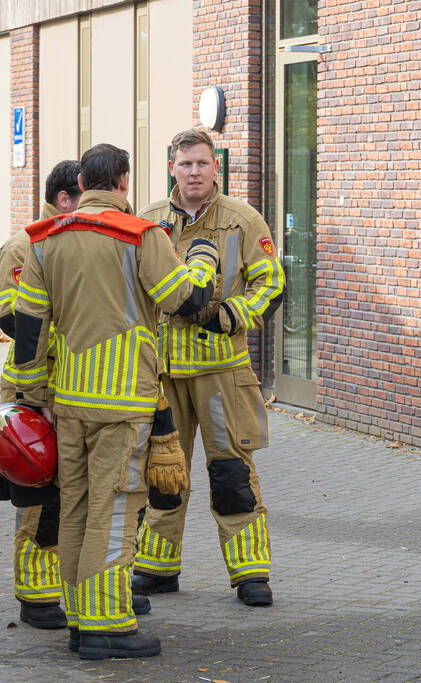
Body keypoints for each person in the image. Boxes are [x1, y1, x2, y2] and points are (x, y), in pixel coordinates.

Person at [11, 143, 218, 659]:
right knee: (120, 507)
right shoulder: (141, 236)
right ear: (123, 181)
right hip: (124, 401)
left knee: (76, 507)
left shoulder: (44, 240)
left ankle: (81, 618)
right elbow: (184, 300)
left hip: (68, 401)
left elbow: (28, 332)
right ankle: (109, 625)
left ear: (82, 182)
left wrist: (33, 399)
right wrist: (202, 263)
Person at [134, 128, 284, 607]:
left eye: (202, 163)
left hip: (222, 371)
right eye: (185, 164)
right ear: (171, 167)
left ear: (216, 167)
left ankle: (250, 575)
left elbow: (271, 285)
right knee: (162, 474)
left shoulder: (244, 219)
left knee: (232, 474)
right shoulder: (148, 220)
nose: (194, 172)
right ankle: (156, 569)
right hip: (163, 374)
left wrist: (228, 314)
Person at [0, 159, 81, 630]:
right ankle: (37, 597)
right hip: (32, 385)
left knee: (75, 493)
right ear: (65, 199)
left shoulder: (77, 242)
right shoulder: (25, 244)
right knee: (37, 495)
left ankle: (78, 588)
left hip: (75, 387)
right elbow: (9, 316)